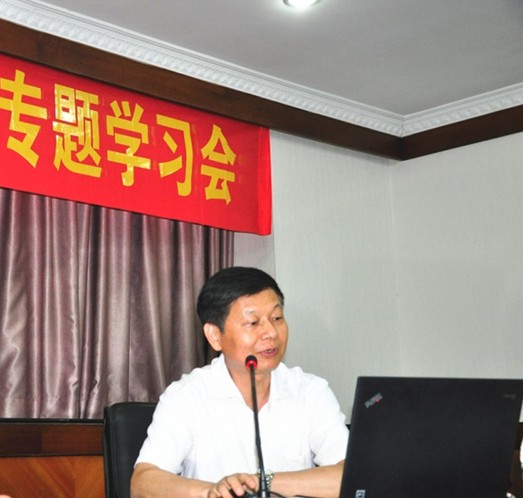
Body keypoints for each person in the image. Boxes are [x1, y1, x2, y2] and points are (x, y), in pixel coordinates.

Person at [131, 266, 348, 498]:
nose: (271, 333)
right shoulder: (186, 396)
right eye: (253, 323)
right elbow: (143, 483)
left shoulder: (310, 391)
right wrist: (212, 492)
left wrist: (262, 482)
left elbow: (350, 475)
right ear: (215, 336)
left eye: (276, 318)